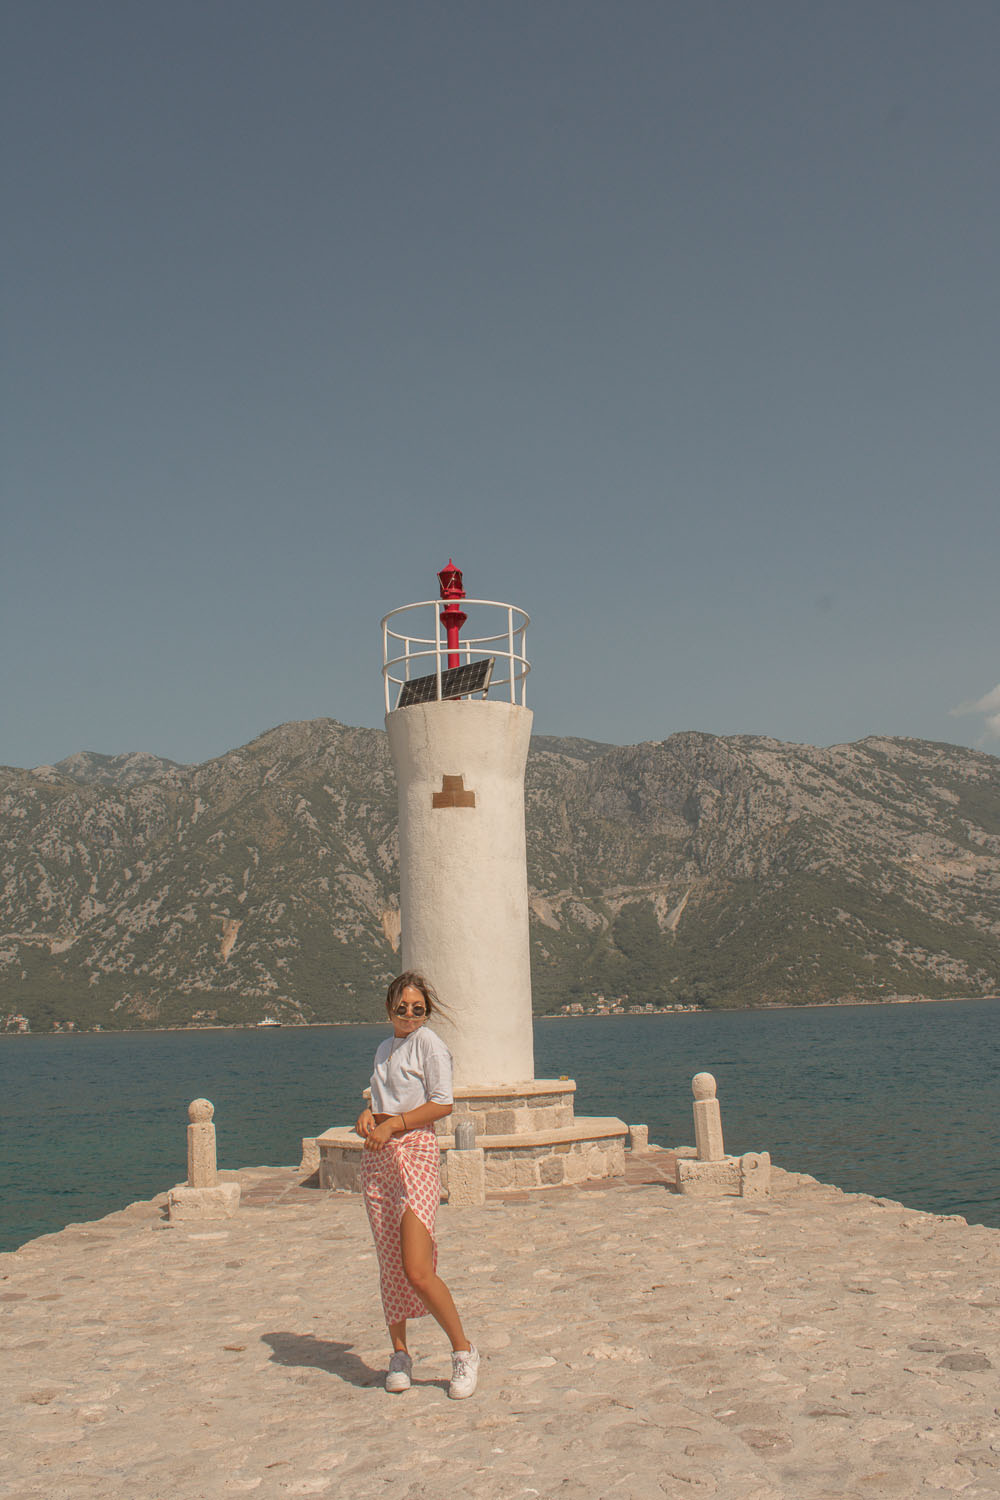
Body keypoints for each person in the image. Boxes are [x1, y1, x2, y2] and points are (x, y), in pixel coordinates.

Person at [355, 971, 480, 1398]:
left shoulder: (429, 1044)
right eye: (402, 1007)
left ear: (427, 1012)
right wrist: (368, 1117)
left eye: (418, 1008)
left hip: (416, 1154)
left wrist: (396, 1126)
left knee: (417, 1269)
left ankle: (463, 1351)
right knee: (389, 1265)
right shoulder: (384, 1049)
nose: (409, 1015)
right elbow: (380, 1099)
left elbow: (443, 1103)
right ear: (389, 1007)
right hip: (380, 1158)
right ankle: (400, 1354)